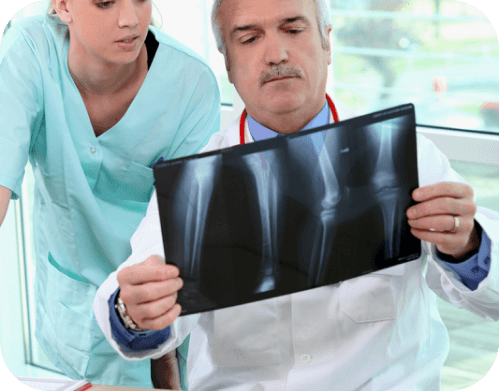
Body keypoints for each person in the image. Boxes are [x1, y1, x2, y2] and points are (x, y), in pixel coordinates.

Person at [94, 0, 499, 389]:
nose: (276, 53)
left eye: (293, 29)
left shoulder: (406, 155)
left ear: (327, 43)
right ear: (229, 65)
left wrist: (467, 245)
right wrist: (134, 310)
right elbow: (133, 301)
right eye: (249, 38)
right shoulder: (195, 185)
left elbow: (492, 301)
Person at [0, 0, 220, 388]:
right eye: (105, 2)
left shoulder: (190, 85)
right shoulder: (30, 51)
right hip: (71, 308)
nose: (130, 19)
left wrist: (160, 348)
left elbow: (187, 229)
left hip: (158, 306)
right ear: (64, 6)